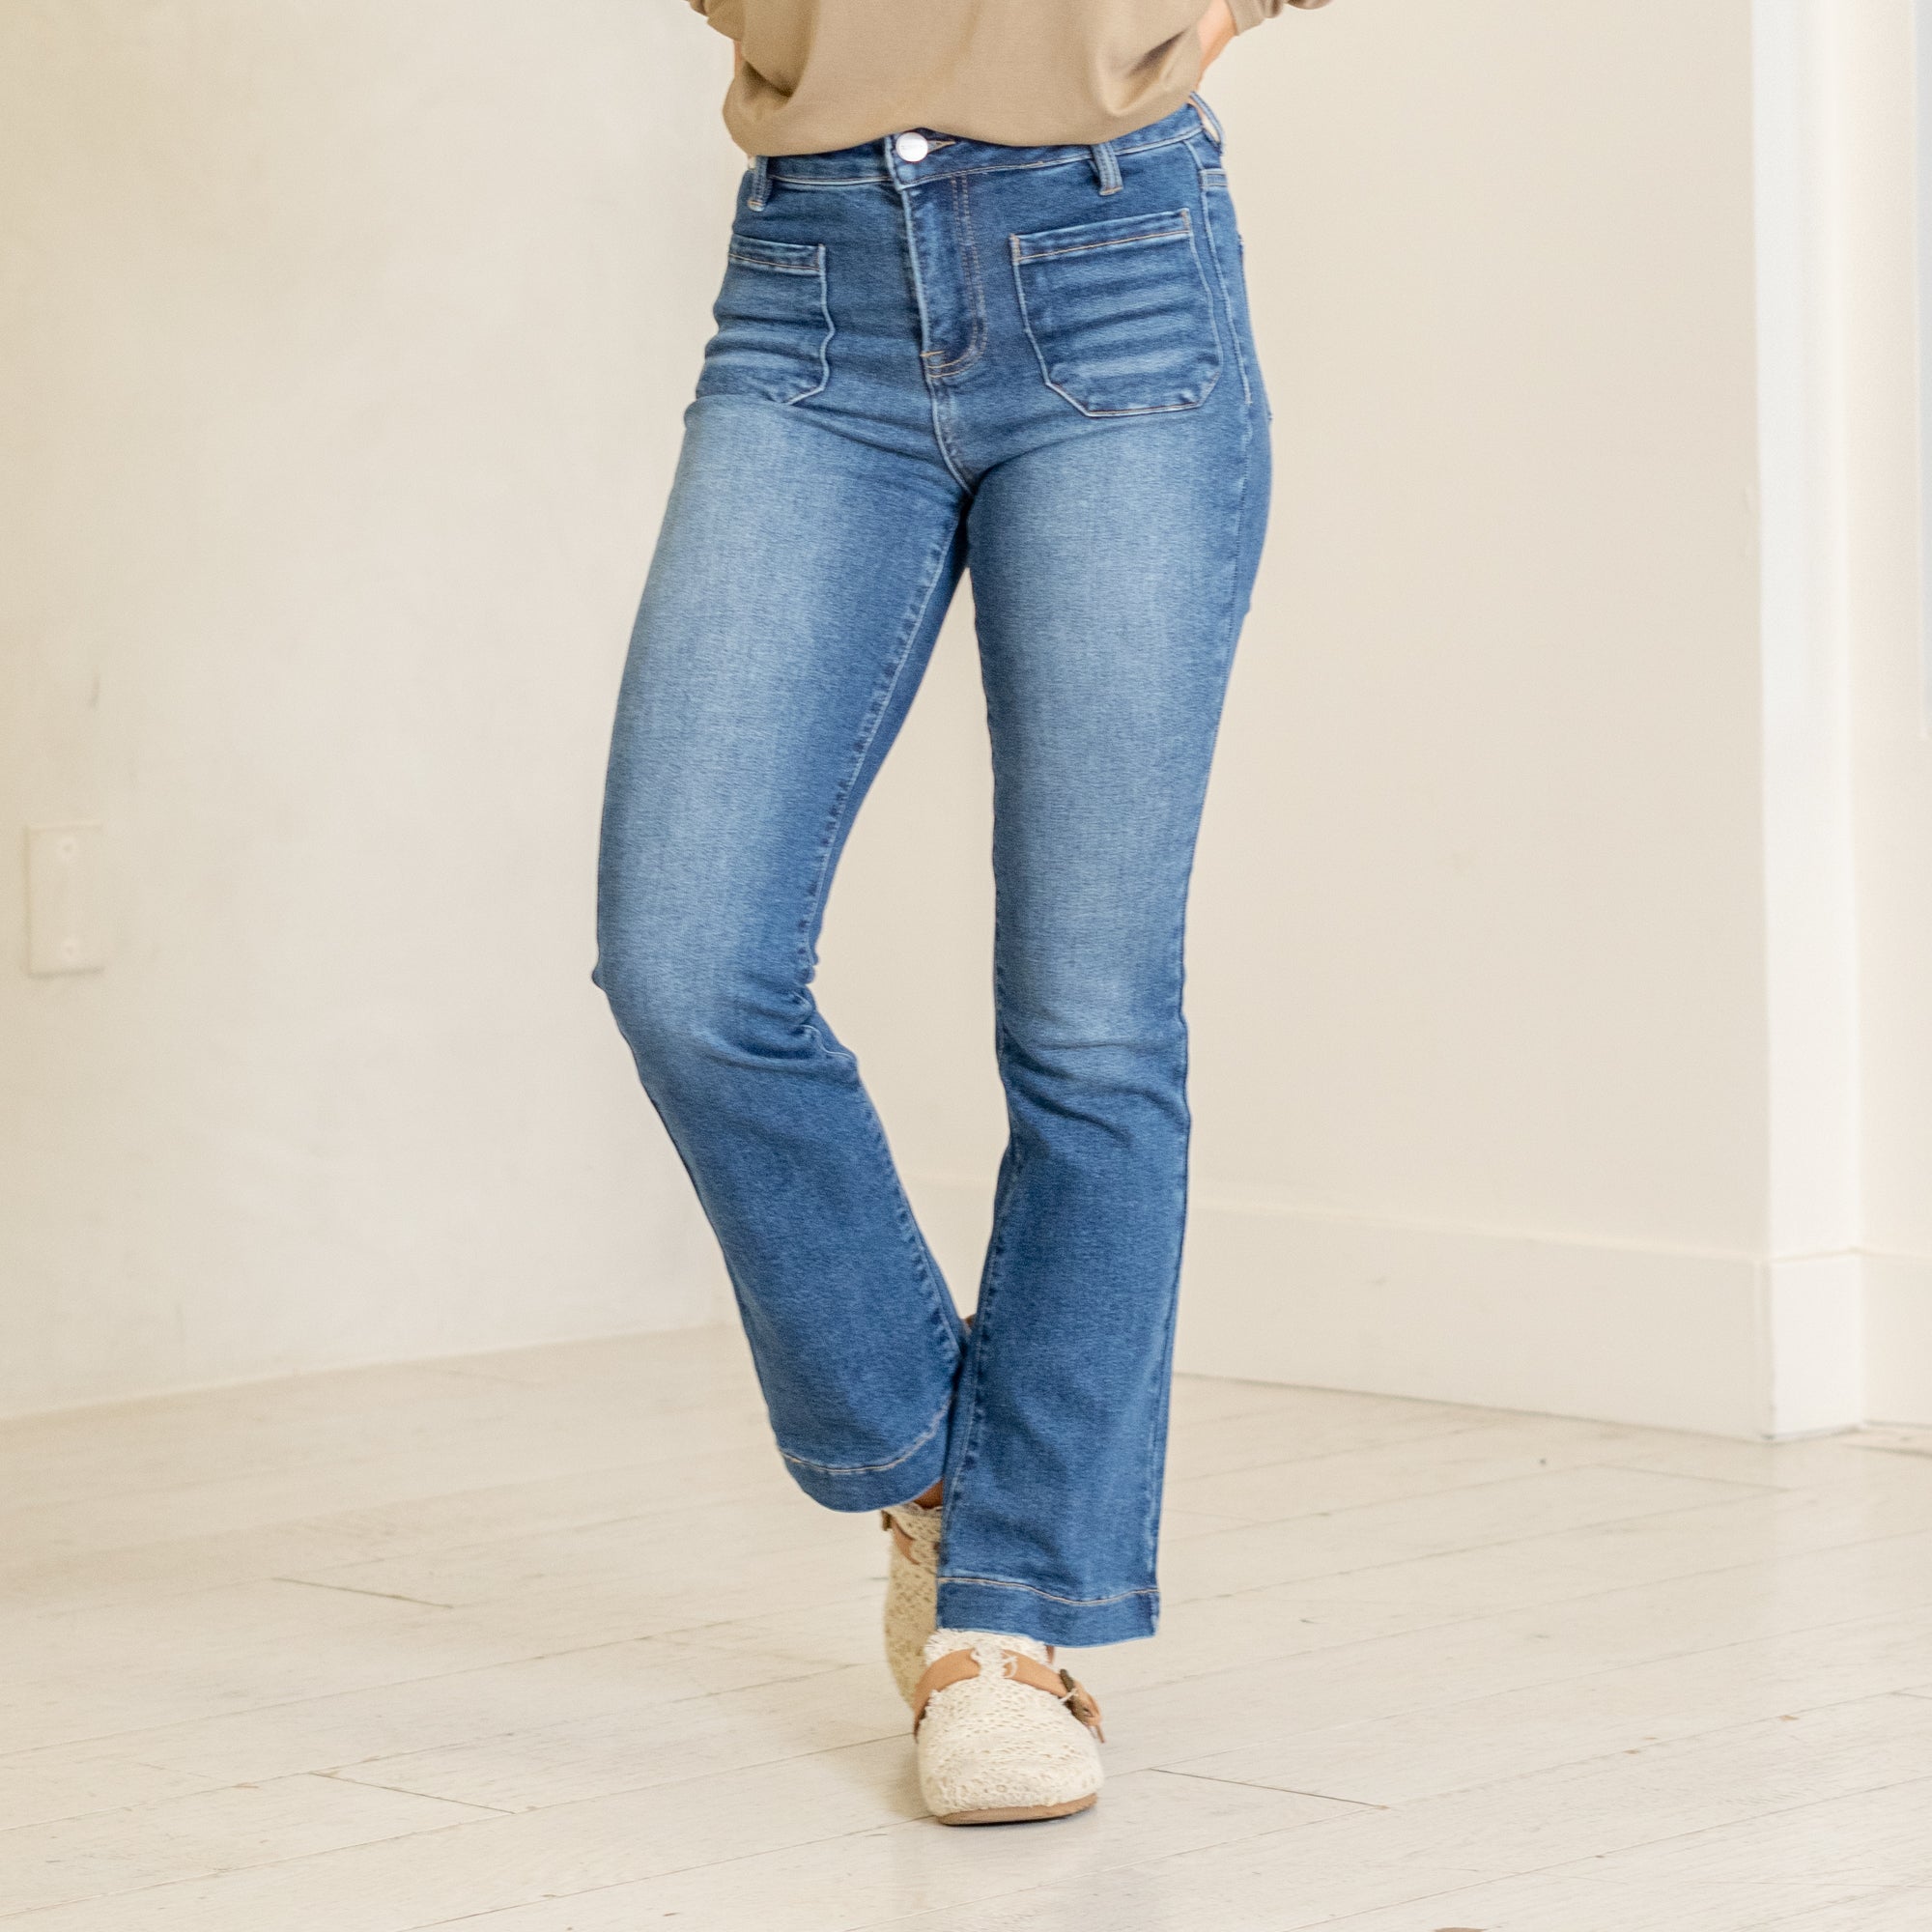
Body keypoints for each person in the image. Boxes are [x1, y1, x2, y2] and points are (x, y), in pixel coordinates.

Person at [596, 0, 1330, 1827]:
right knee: (685, 963)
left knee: (1091, 1020)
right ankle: (951, 1481)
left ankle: (1007, 1624)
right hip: (809, 287)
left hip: (1119, 263)